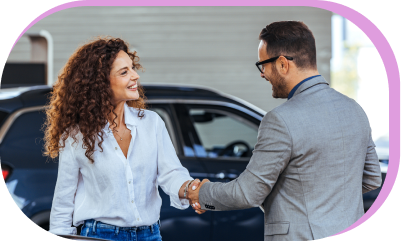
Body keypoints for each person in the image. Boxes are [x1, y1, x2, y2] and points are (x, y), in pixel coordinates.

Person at [188, 21, 382, 240]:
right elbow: (372, 179)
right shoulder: (355, 109)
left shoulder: (280, 120)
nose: (262, 74)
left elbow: (247, 193)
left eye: (263, 65)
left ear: (282, 64)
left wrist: (201, 193)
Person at [44, 37, 203, 241]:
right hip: (99, 236)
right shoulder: (76, 136)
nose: (135, 76)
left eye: (132, 68)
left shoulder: (152, 123)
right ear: (101, 83)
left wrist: (190, 189)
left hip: (150, 235)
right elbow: (63, 204)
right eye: (124, 72)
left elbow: (170, 173)